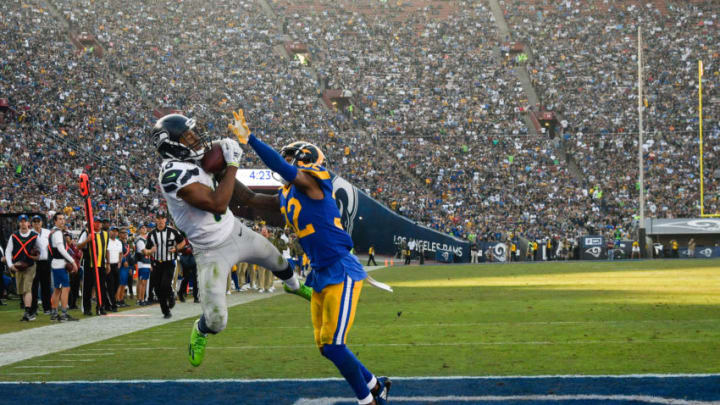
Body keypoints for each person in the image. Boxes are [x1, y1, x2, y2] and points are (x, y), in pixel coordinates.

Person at [229, 109, 391, 405]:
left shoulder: (314, 182)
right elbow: (248, 199)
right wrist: (222, 170)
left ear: (305, 160)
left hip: (341, 269)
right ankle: (376, 386)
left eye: (293, 159)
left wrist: (249, 138)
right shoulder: (289, 194)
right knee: (325, 346)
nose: (289, 164)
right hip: (320, 272)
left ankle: (368, 401)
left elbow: (283, 168)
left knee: (333, 344)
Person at [149, 113, 311, 366]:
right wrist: (233, 164)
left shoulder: (201, 160)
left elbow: (248, 198)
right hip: (210, 251)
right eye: (189, 136)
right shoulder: (172, 174)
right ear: (171, 145)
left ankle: (295, 286)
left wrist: (287, 203)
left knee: (277, 260)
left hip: (235, 230)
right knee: (217, 320)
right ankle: (200, 330)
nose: (197, 139)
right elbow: (217, 203)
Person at [145, 212, 185, 318]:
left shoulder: (173, 231)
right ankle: (166, 311)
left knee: (164, 285)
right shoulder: (151, 234)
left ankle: (171, 295)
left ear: (165, 220)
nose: (160, 220)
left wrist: (176, 249)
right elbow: (146, 249)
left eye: (162, 218)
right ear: (155, 220)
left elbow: (183, 242)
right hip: (157, 263)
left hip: (169, 262)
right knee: (157, 289)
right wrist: (149, 251)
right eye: (158, 218)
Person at [5, 214, 40, 321]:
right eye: (21, 221)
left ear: (28, 223)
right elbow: (8, 251)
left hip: (30, 265)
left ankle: (28, 312)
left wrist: (37, 256)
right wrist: (11, 265)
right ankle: (28, 311)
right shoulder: (14, 236)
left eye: (25, 221)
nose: (23, 223)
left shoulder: (34, 235)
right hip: (18, 266)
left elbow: (39, 251)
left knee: (27, 288)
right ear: (18, 223)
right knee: (22, 290)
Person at [47, 213, 79, 322]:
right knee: (66, 288)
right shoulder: (57, 233)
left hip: (56, 262)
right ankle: (64, 313)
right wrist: (72, 261)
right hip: (60, 263)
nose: (62, 221)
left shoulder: (54, 232)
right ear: (55, 221)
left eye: (63, 219)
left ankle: (54, 313)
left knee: (57, 289)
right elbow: (61, 249)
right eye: (59, 219)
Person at [79, 219, 109, 316]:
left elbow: (106, 249)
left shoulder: (105, 234)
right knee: (88, 287)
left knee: (102, 287)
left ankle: (100, 307)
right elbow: (78, 246)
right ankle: (86, 309)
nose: (98, 224)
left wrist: (108, 263)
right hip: (89, 263)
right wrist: (87, 240)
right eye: (96, 222)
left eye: (99, 222)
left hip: (101, 264)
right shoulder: (86, 232)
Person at [30, 215, 52, 317]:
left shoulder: (47, 232)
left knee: (46, 286)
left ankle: (47, 308)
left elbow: (51, 246)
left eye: (38, 221)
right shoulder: (30, 233)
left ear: (42, 222)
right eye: (34, 222)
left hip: (45, 262)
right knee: (33, 287)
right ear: (32, 223)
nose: (37, 223)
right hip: (34, 263)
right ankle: (33, 309)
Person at [106, 226, 123, 312]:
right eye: (113, 231)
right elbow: (107, 252)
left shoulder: (119, 242)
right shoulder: (107, 241)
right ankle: (113, 304)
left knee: (117, 284)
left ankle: (111, 301)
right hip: (109, 265)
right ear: (110, 232)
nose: (115, 233)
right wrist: (108, 263)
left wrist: (120, 262)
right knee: (111, 285)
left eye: (116, 231)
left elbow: (120, 253)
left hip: (116, 265)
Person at [134, 224, 152, 306]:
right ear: (139, 230)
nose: (144, 229)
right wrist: (152, 250)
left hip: (147, 262)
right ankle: (140, 300)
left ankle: (143, 299)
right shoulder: (139, 239)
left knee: (144, 282)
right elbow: (144, 252)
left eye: (145, 228)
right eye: (142, 228)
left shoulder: (146, 239)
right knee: (142, 282)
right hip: (142, 262)